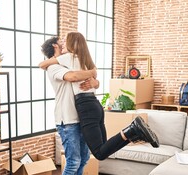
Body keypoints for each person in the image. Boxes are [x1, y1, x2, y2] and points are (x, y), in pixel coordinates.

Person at [39, 32, 159, 162]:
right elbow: (94, 76)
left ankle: (133, 129)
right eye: (61, 41)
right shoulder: (84, 58)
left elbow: (43, 65)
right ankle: (135, 133)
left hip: (85, 106)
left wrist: (93, 79)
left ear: (71, 44)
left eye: (65, 41)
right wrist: (93, 77)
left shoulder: (68, 57)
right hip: (95, 105)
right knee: (104, 148)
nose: (63, 44)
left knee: (99, 153)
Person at [40, 36, 99, 175]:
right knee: (73, 160)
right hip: (67, 120)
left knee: (84, 157)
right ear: (55, 46)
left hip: (82, 117)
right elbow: (73, 77)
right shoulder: (54, 67)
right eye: (62, 42)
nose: (66, 45)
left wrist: (95, 80)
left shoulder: (72, 61)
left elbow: (94, 83)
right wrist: (92, 72)